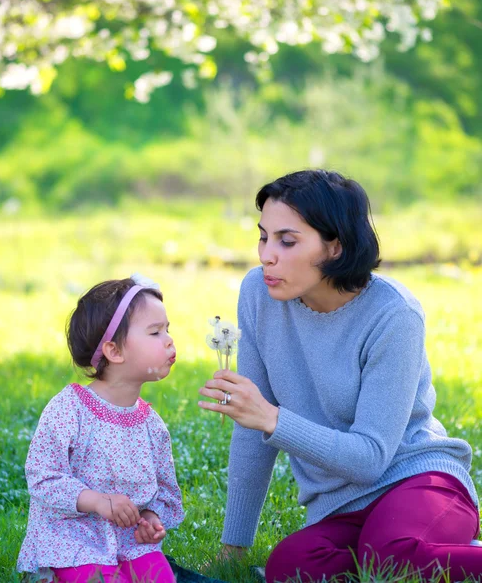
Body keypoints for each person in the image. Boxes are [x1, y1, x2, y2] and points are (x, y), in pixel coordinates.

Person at [198, 170, 482, 582]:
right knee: (290, 567)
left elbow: (370, 458)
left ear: (335, 246)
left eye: (287, 241)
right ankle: (436, 554)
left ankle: (425, 548)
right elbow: (250, 430)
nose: (266, 255)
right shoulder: (259, 293)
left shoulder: (393, 315)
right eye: (263, 237)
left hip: (416, 479)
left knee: (392, 557)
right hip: (340, 506)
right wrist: (233, 546)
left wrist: (272, 418)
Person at [17, 273, 184, 583]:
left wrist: (150, 518)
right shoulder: (69, 409)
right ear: (115, 352)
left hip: (129, 542)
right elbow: (42, 477)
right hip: (72, 538)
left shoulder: (153, 426)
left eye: (167, 329)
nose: (169, 340)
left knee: (162, 579)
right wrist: (97, 501)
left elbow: (162, 492)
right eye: (155, 332)